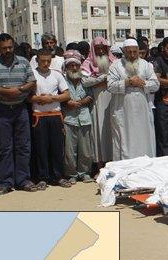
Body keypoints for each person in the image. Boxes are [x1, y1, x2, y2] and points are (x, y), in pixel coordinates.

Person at [0, 33, 37, 194]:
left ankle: (23, 181)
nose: (8, 50)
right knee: (4, 148)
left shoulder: (23, 62)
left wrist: (19, 90)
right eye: (4, 48)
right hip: (2, 110)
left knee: (23, 147)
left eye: (10, 47)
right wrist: (5, 92)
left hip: (20, 109)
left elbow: (32, 81)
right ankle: (6, 182)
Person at [107, 39, 160, 160]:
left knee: (143, 137)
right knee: (125, 138)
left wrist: (142, 83)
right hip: (123, 109)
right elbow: (110, 86)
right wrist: (128, 82)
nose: (132, 55)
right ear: (124, 52)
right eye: (129, 52)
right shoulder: (116, 66)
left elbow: (156, 85)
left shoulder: (146, 65)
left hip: (142, 110)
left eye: (134, 52)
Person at [29, 48, 71, 189]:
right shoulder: (31, 75)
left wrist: (51, 98)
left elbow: (66, 95)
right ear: (37, 60)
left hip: (55, 114)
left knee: (57, 148)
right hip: (39, 116)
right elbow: (28, 96)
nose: (46, 63)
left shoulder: (57, 75)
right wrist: (40, 99)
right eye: (43, 61)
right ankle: (43, 178)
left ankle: (58, 176)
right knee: (41, 148)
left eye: (48, 61)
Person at [81, 37, 117, 168]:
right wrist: (103, 78)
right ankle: (100, 165)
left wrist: (98, 80)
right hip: (97, 101)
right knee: (98, 132)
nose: (101, 51)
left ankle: (113, 163)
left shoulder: (115, 61)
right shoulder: (87, 63)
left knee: (113, 130)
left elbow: (119, 77)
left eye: (103, 48)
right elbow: (85, 81)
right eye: (98, 49)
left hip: (113, 100)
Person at [62, 50, 94, 184]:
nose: (74, 68)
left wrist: (81, 102)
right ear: (67, 68)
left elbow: (91, 95)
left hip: (84, 117)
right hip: (69, 119)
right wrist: (67, 102)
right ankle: (71, 174)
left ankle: (85, 172)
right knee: (70, 150)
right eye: (71, 66)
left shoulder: (85, 80)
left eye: (76, 65)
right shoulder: (62, 81)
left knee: (85, 149)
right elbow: (60, 96)